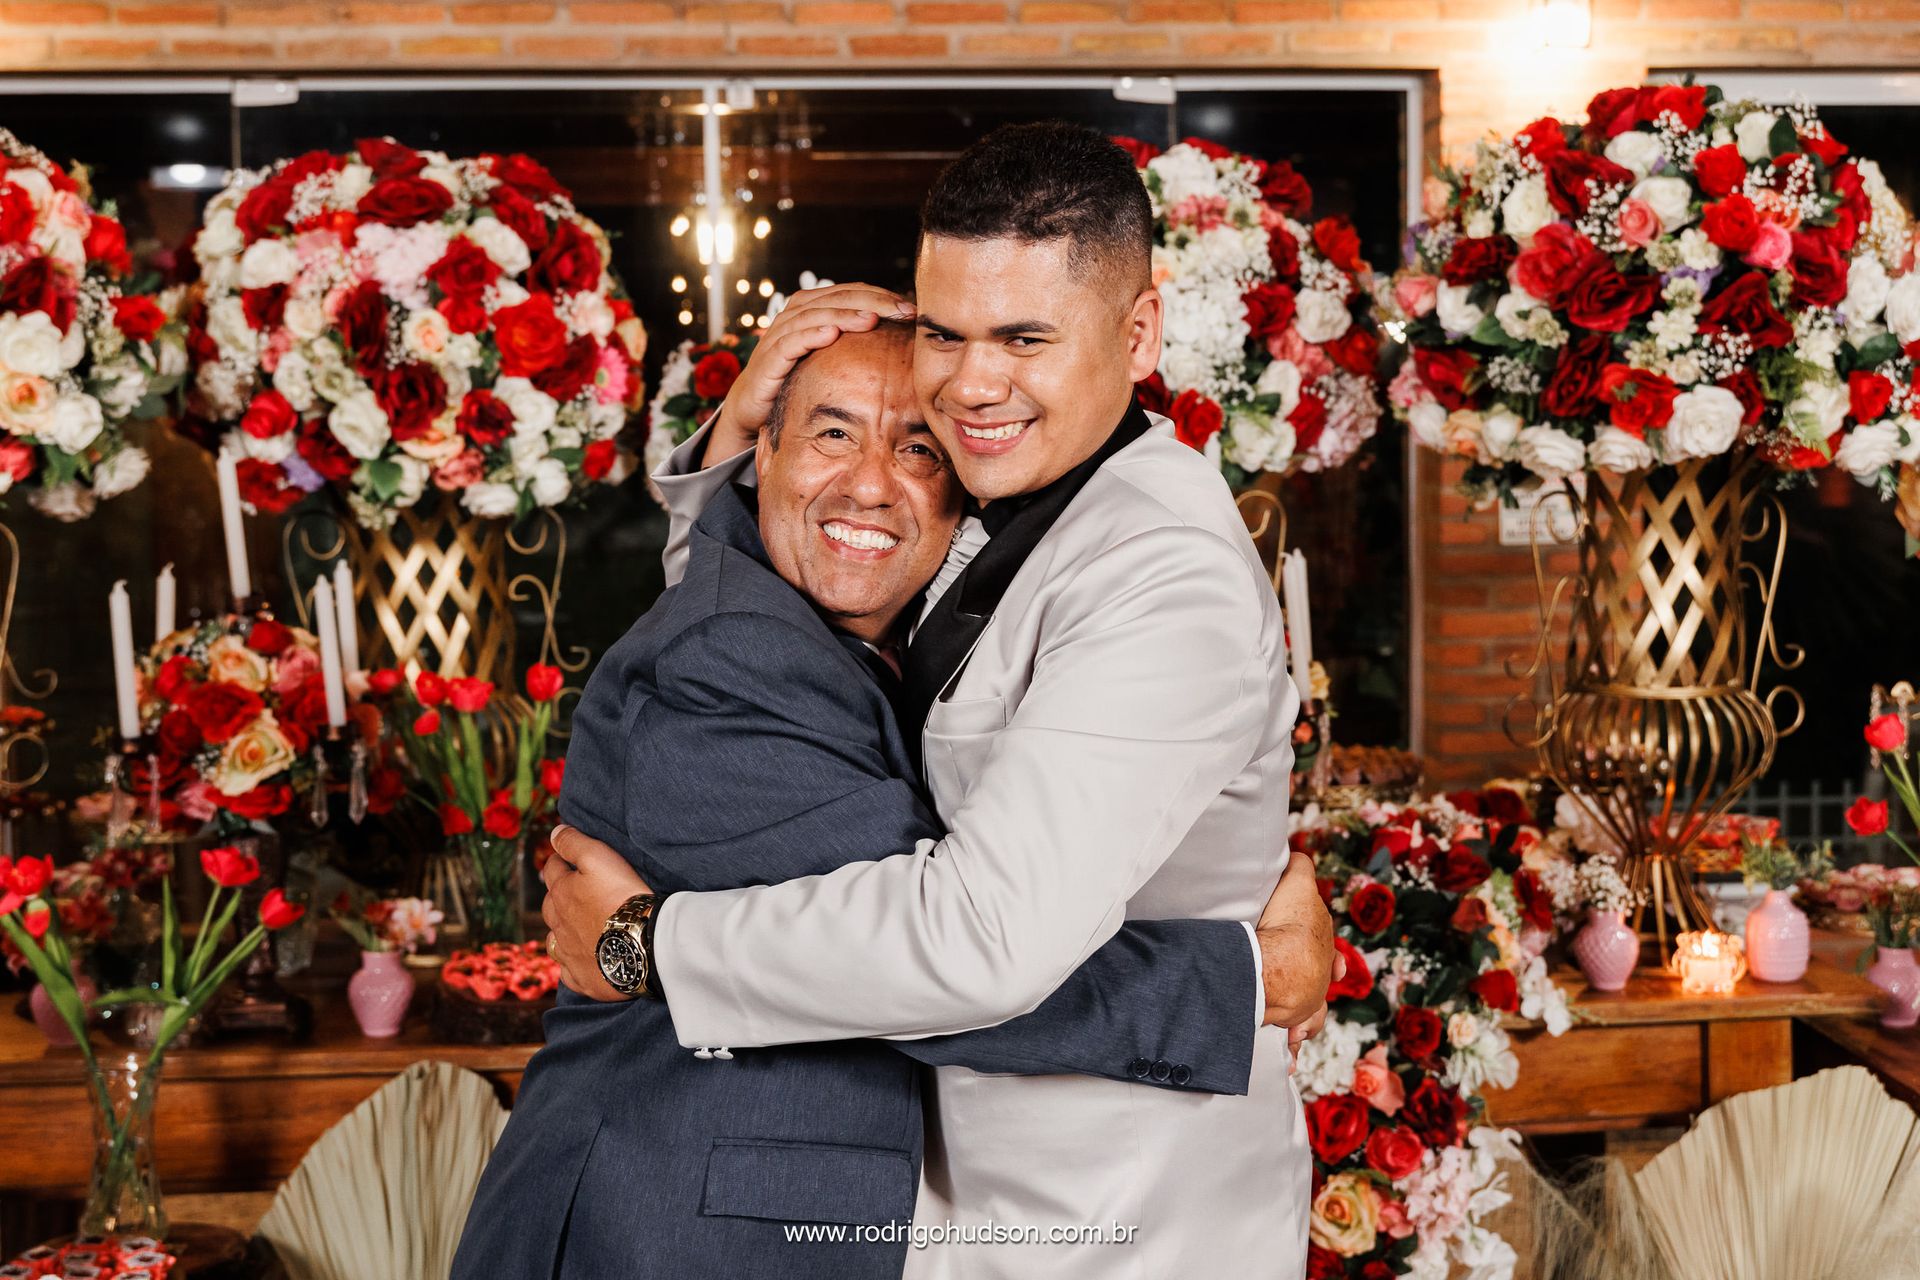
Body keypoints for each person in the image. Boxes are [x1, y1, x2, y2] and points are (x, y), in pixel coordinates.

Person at [543, 121, 1325, 1276]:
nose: (972, 383)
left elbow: (983, 937)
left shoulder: (1164, 575)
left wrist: (649, 943)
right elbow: (782, 629)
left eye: (1023, 337)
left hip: (1117, 1216)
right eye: (947, 334)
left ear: (1140, 330)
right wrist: (742, 447)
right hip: (970, 1201)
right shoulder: (1015, 490)